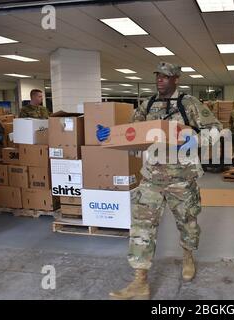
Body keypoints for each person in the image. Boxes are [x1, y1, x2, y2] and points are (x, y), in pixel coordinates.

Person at [97, 62, 222, 300]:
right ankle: (140, 281)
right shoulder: (148, 104)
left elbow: (215, 128)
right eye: (158, 76)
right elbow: (131, 132)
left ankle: (187, 257)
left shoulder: (189, 104)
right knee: (142, 228)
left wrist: (198, 140)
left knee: (187, 222)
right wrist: (110, 135)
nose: (160, 80)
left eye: (165, 77)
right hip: (151, 178)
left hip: (181, 178)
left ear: (176, 79)